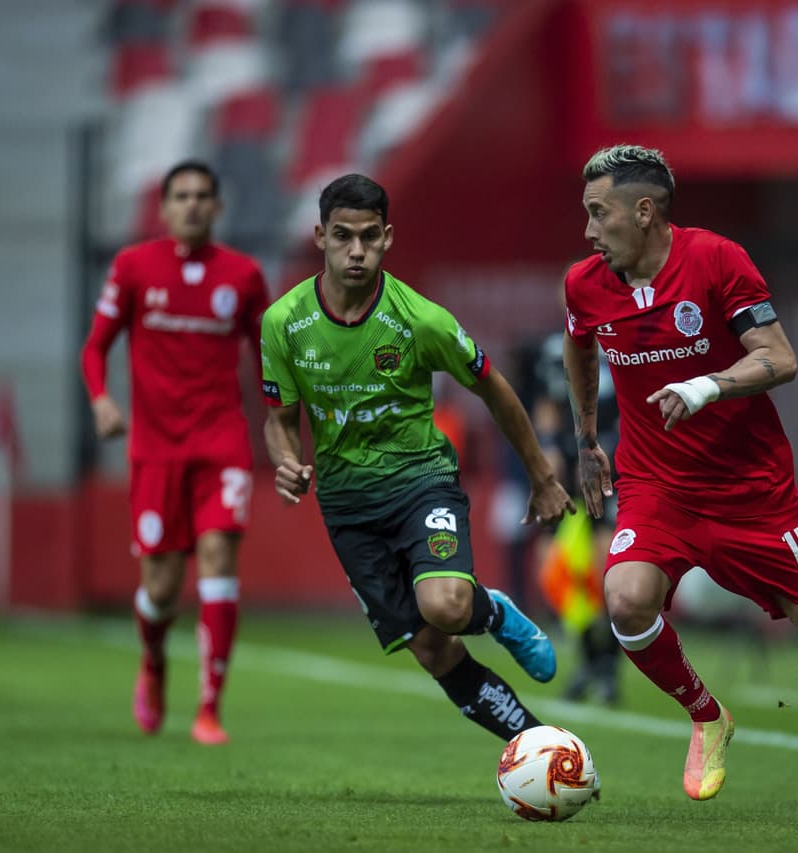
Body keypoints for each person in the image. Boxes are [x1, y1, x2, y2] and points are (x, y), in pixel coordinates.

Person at [563, 144, 798, 823]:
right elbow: (579, 341)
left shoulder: (716, 260)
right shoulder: (586, 283)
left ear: (644, 212)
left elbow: (780, 358)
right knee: (623, 599)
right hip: (657, 486)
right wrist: (588, 439)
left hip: (751, 490)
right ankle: (707, 715)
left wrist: (705, 385)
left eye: (600, 213)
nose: (589, 231)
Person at [261, 174, 575, 742]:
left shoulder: (420, 321)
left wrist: (541, 475)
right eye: (342, 236)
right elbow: (280, 421)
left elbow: (496, 388)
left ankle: (493, 611)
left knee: (447, 606)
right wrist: (286, 460)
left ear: (388, 238)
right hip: (347, 507)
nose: (356, 251)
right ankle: (542, 748)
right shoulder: (283, 324)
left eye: (369, 237)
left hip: (419, 482)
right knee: (433, 649)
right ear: (318, 236)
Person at [80, 160, 268, 745]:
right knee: (160, 589)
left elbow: (269, 361)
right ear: (163, 208)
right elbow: (95, 347)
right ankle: (154, 660)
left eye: (201, 196)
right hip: (155, 450)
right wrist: (101, 400)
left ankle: (209, 708)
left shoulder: (243, 276)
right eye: (180, 196)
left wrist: (284, 426)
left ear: (217, 207)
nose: (191, 205)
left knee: (218, 560)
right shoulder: (134, 267)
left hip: (221, 445)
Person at [532, 327, 622, 705]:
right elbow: (547, 404)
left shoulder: (623, 342)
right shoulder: (556, 347)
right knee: (557, 572)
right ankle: (588, 660)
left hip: (612, 470)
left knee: (610, 575)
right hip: (567, 476)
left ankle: (608, 668)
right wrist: (549, 447)